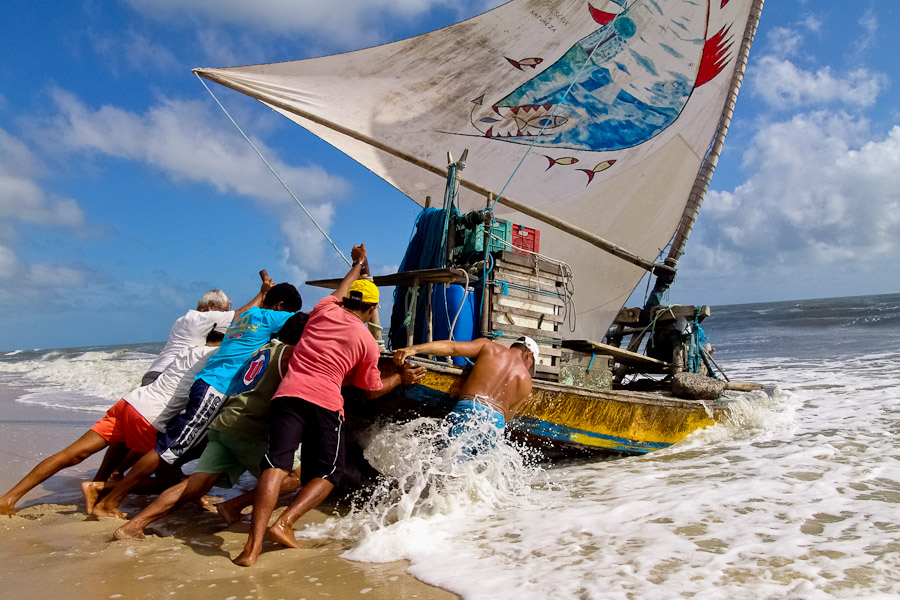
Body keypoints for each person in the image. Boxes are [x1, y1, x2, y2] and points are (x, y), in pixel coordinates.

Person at [232, 243, 425, 567]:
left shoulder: (323, 308)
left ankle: (251, 549)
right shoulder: (365, 342)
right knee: (329, 473)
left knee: (275, 466)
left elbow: (342, 287)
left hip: (288, 395)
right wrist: (401, 381)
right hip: (324, 404)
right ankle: (284, 523)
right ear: (370, 310)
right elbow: (372, 390)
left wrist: (357, 265)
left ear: (346, 301)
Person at [89, 273, 302, 519]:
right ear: (281, 307)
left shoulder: (245, 316)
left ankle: (109, 489)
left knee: (180, 446)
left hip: (206, 383)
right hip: (216, 389)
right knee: (169, 449)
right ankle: (111, 500)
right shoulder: (273, 317)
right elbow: (311, 320)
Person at [112, 312, 310, 540]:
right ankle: (234, 505)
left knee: (194, 485)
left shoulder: (259, 348)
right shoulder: (288, 354)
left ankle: (133, 526)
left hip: (225, 424)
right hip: (250, 431)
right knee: (296, 476)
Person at [0, 328, 224, 516]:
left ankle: (9, 499)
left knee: (71, 454)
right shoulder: (217, 355)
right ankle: (101, 489)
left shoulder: (190, 349)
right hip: (150, 417)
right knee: (171, 478)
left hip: (129, 402)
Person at [392, 336, 537, 448]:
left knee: (449, 463)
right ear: (529, 355)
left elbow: (452, 348)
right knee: (479, 474)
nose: (528, 369)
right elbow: (508, 417)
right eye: (531, 365)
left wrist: (414, 349)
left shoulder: (490, 347)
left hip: (470, 409)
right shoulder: (527, 383)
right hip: (495, 423)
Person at [141, 289, 235, 386]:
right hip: (167, 376)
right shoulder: (202, 318)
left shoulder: (181, 320)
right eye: (223, 313)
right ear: (211, 306)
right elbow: (242, 313)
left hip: (152, 373)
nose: (223, 318)